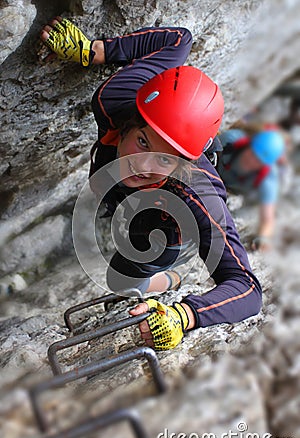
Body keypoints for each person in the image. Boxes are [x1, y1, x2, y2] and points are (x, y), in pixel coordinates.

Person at [40, 17, 262, 351]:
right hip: (121, 200)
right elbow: (179, 40)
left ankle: (168, 278)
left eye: (165, 159)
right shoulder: (116, 100)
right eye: (143, 142)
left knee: (121, 279)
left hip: (162, 230)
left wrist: (184, 316)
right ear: (132, 121)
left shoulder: (197, 195)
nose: (142, 166)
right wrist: (95, 51)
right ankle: (159, 278)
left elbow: (247, 289)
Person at [217, 127, 288, 251]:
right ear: (248, 145)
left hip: (238, 190)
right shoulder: (229, 141)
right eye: (252, 153)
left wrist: (263, 237)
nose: (251, 161)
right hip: (218, 173)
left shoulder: (268, 180)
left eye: (258, 161)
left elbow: (267, 217)